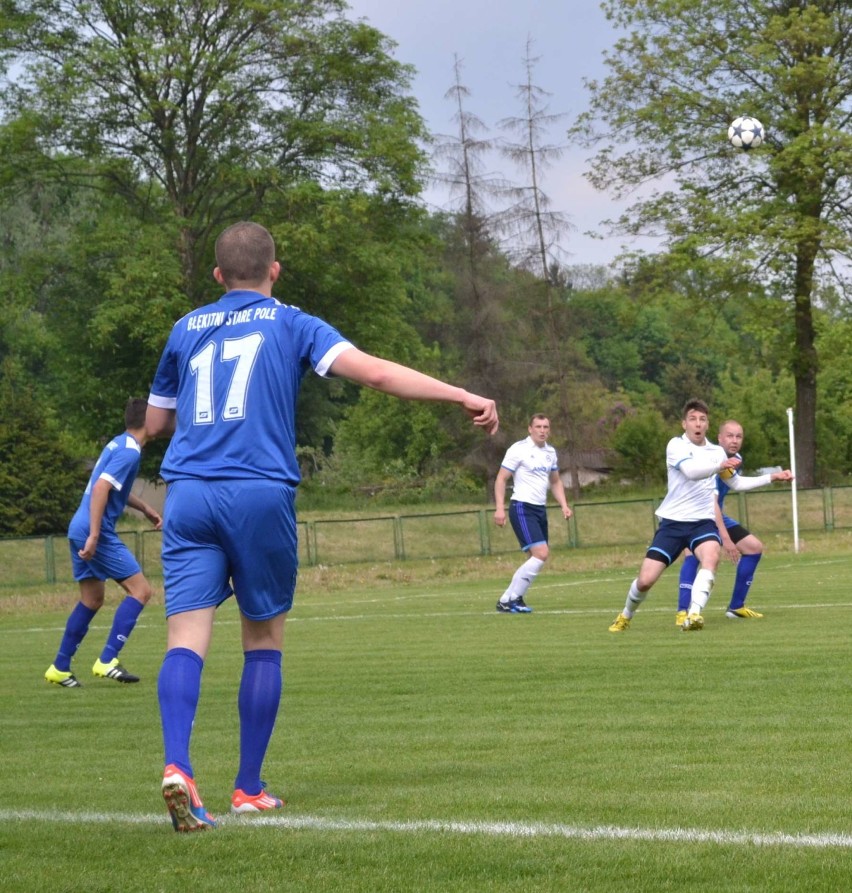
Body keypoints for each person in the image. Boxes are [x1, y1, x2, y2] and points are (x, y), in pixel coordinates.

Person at [146, 221, 498, 832]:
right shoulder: (291, 321)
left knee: (185, 640)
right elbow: (378, 374)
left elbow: (155, 420)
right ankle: (248, 788)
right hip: (258, 491)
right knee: (262, 640)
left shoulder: (184, 329)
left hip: (188, 494)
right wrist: (460, 394)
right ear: (274, 270)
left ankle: (178, 764)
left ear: (217, 275)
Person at [44, 398, 163, 688]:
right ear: (149, 420)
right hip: (93, 530)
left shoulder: (119, 444)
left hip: (78, 526)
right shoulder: (131, 453)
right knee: (141, 591)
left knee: (92, 599)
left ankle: (59, 667)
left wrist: (144, 508)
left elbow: (110, 487)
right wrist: (96, 535)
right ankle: (108, 659)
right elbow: (100, 488)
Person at [608, 398, 744, 634]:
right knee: (646, 581)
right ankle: (626, 615)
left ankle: (694, 614)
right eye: (693, 419)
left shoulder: (716, 451)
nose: (698, 423)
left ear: (708, 424)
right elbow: (691, 472)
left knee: (711, 557)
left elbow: (737, 483)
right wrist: (719, 465)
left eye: (702, 419)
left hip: (702, 522)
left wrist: (772, 477)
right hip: (672, 525)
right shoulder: (676, 445)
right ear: (684, 424)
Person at [676, 419, 794, 624]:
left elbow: (737, 485)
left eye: (738, 436)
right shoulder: (709, 459)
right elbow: (710, 502)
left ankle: (736, 607)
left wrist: (774, 477)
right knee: (694, 555)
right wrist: (725, 538)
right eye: (729, 436)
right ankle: (682, 612)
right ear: (719, 438)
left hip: (716, 513)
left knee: (753, 548)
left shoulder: (736, 459)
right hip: (695, 516)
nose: (734, 440)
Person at [493, 414, 572, 613]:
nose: (542, 430)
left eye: (546, 427)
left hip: (539, 509)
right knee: (541, 553)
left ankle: (508, 599)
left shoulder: (550, 452)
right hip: (521, 507)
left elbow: (554, 481)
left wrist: (564, 504)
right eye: (538, 426)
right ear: (530, 429)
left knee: (534, 557)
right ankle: (511, 599)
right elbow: (501, 479)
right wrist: (500, 508)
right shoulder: (518, 449)